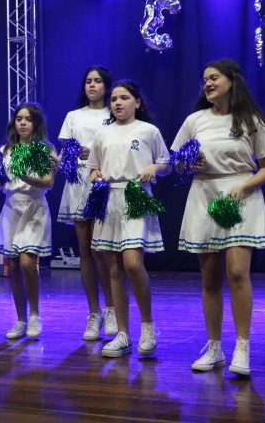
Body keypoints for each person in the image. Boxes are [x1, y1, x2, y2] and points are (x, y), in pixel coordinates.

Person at [172, 59, 265, 376]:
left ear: (232, 81)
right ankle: (214, 348)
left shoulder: (252, 119)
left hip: (241, 197)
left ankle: (242, 348)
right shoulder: (195, 121)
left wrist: (243, 186)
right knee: (209, 278)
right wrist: (188, 163)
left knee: (236, 272)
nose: (207, 83)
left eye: (214, 77)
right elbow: (176, 163)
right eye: (204, 79)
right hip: (204, 195)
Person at [87, 80, 171, 358]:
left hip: (136, 195)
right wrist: (95, 175)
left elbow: (166, 164)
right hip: (109, 199)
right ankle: (122, 333)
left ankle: (148, 325)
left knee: (133, 263)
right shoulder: (103, 133)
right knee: (114, 268)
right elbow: (93, 167)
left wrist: (154, 167)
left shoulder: (148, 131)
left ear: (137, 102)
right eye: (113, 99)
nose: (118, 103)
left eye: (124, 98)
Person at [56, 66, 117, 341]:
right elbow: (65, 153)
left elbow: (118, 147)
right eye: (88, 81)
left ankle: (112, 308)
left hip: (104, 179)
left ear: (106, 86)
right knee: (85, 251)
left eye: (98, 81)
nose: (92, 85)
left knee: (102, 249)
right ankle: (94, 313)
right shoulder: (73, 116)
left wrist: (93, 152)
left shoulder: (113, 113)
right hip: (79, 180)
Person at [0, 102, 56, 340]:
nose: (22, 123)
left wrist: (23, 175)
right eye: (19, 118)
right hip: (11, 208)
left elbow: (48, 182)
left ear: (36, 123)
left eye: (28, 119)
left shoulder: (45, 149)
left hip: (34, 207)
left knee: (28, 263)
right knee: (13, 266)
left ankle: (35, 315)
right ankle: (20, 319)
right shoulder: (5, 150)